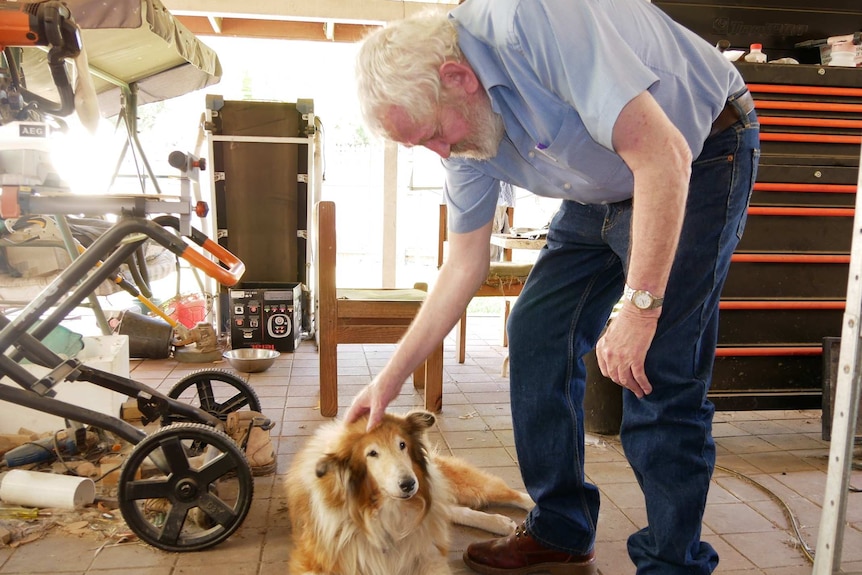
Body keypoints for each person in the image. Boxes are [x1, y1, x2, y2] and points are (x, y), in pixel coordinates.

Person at [344, 0, 759, 573]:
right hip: (602, 186)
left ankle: (673, 563)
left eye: (437, 134)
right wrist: (387, 383)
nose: (443, 154)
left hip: (698, 152)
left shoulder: (536, 20)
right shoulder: (461, 133)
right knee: (537, 329)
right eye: (424, 145)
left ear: (457, 77)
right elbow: (463, 266)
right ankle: (562, 529)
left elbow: (662, 157)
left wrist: (638, 311)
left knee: (658, 366)